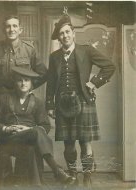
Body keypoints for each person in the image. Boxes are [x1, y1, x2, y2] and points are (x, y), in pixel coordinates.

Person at [46, 13, 116, 187]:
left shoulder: (86, 50)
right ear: (59, 38)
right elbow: (51, 81)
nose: (65, 36)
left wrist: (93, 83)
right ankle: (72, 175)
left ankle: (87, 177)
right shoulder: (54, 57)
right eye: (61, 34)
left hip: (83, 101)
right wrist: (50, 104)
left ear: (73, 33)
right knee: (68, 144)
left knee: (85, 142)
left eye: (68, 32)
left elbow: (109, 66)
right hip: (63, 104)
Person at [0, 66, 76, 186]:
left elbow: (45, 125)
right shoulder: (4, 99)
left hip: (29, 139)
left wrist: (29, 129)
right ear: (15, 82)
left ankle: (36, 185)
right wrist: (6, 128)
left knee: (34, 141)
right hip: (9, 139)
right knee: (36, 133)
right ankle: (56, 169)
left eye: (26, 80)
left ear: (31, 83)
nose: (23, 83)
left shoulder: (37, 103)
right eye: (20, 80)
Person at [0, 15, 47, 99]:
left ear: (20, 30)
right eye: (8, 26)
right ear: (4, 30)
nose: (11, 30)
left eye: (15, 26)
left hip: (23, 97)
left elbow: (43, 74)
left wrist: (29, 86)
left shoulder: (29, 49)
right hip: (2, 97)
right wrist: (0, 87)